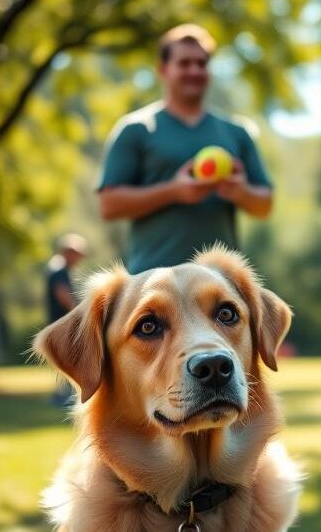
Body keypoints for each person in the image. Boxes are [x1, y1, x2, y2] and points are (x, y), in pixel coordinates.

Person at [97, 24, 273, 274]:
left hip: (221, 284)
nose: (195, 70)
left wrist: (239, 191)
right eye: (185, 63)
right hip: (154, 283)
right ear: (163, 69)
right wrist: (174, 192)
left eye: (202, 63)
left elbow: (264, 205)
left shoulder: (236, 132)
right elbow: (108, 205)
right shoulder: (136, 129)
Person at [46, 233, 88, 405]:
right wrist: (80, 314)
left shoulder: (60, 269)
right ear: (68, 252)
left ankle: (65, 394)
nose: (79, 259)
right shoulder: (59, 270)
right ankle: (64, 396)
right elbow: (63, 296)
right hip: (63, 324)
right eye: (77, 254)